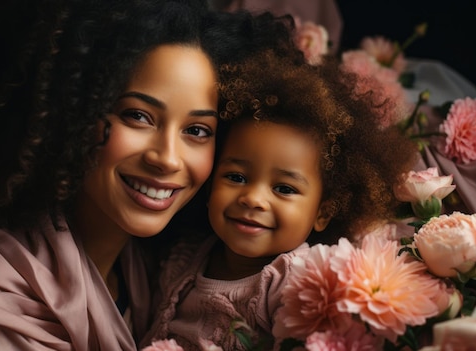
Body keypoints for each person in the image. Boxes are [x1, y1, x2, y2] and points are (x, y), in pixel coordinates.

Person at [0, 1, 305, 350]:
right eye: (138, 117)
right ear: (69, 115)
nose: (168, 159)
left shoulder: (165, 271)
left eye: (196, 130)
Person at [140, 49, 419, 350]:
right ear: (210, 187)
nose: (253, 199)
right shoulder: (184, 256)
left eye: (284, 189)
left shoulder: (297, 283)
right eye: (236, 177)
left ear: (323, 212)